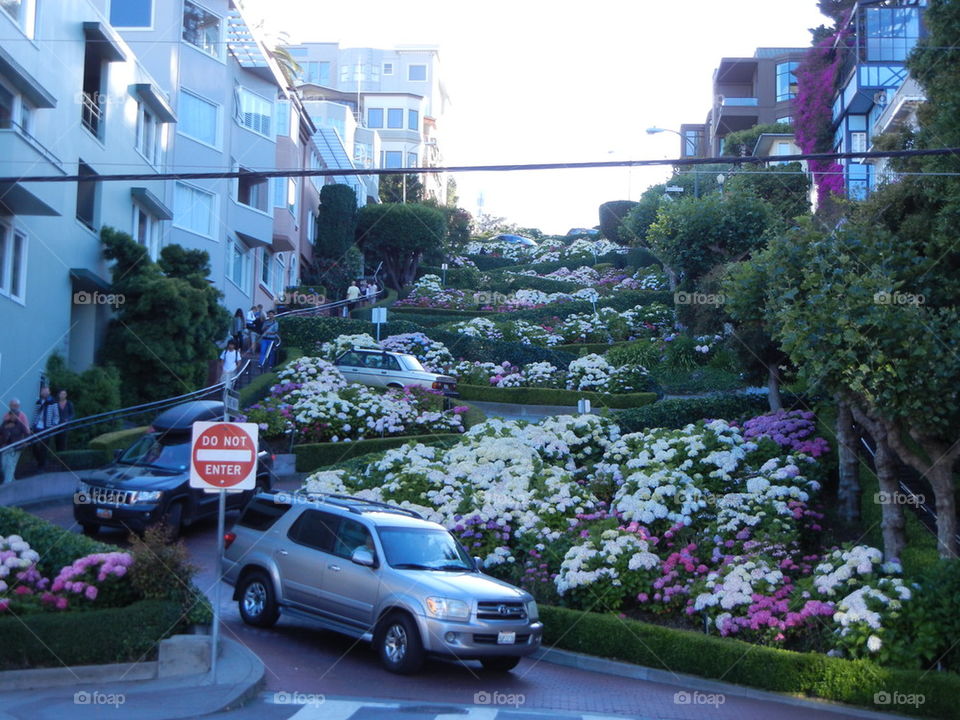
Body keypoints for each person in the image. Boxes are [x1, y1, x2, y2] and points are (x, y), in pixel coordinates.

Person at [1, 399, 30, 485]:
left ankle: (7, 484)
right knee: (4, 465)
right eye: (12, 415)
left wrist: (25, 442)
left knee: (10, 465)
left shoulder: (21, 423)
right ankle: (12, 482)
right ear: (9, 415)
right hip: (5, 446)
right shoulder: (4, 423)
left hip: (16, 447)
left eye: (15, 415)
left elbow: (27, 433)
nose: (14, 417)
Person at [32, 386, 59, 471]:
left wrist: (54, 425)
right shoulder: (38, 402)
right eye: (43, 391)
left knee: (43, 446)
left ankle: (41, 466)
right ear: (41, 393)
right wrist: (34, 424)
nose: (45, 393)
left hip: (47, 427)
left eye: (46, 391)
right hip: (37, 426)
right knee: (33, 443)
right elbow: (36, 414)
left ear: (49, 392)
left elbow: (56, 416)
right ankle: (40, 460)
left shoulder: (53, 402)